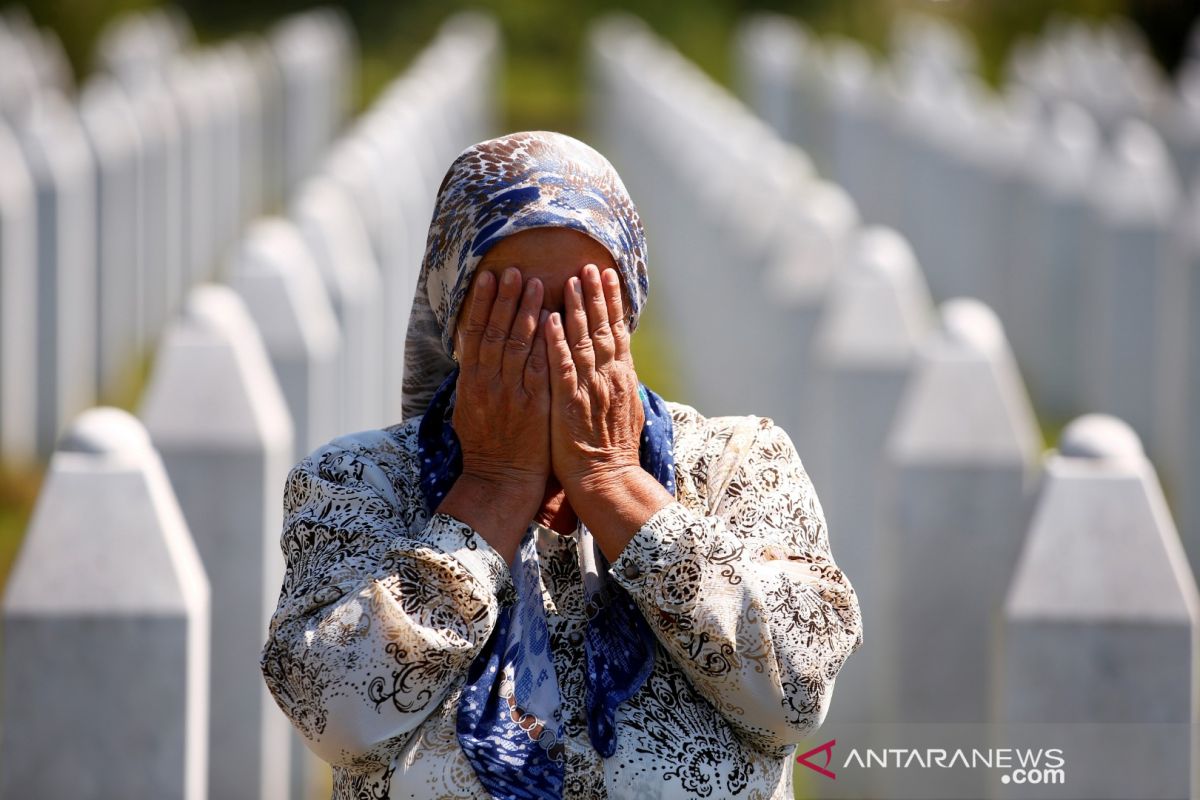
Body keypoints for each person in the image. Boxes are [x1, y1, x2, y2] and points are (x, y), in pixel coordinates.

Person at [260, 130, 863, 800]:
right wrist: (491, 489)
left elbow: (794, 696)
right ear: (453, 314)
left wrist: (614, 483)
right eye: (512, 311)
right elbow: (335, 714)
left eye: (578, 308)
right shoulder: (356, 480)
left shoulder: (739, 463)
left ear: (626, 312)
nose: (550, 341)